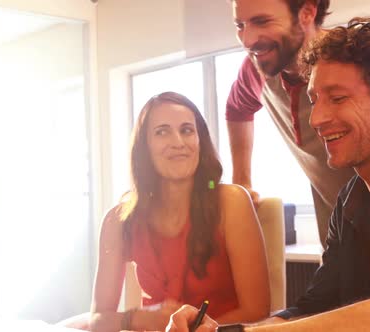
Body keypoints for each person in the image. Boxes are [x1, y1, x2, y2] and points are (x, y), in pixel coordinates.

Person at [166, 16, 370, 331]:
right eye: (313, 100)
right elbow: (315, 308)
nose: (317, 119)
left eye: (337, 98)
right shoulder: (351, 198)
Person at [90, 92, 270, 331]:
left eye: (187, 130)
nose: (178, 142)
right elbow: (97, 320)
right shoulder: (118, 220)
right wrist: (140, 318)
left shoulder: (232, 202)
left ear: (200, 141)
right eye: (162, 132)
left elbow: (257, 311)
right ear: (144, 147)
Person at [227, 0, 355, 247]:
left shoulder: (355, 60)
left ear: (307, 12)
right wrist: (241, 180)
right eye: (240, 25)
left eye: (262, 21)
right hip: (337, 236)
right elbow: (237, 108)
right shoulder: (256, 70)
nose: (247, 40)